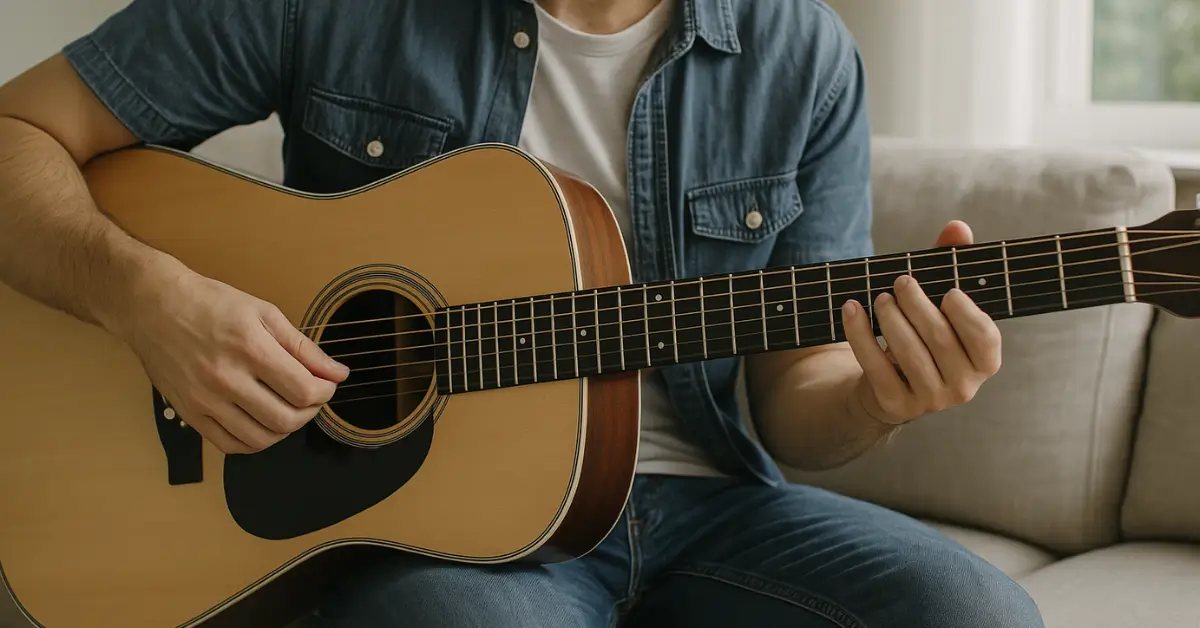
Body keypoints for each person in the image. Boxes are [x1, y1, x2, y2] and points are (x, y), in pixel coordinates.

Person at [0, 0, 1044, 626]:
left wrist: (880, 397)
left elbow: (795, 397)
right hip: (445, 538)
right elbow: (18, 134)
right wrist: (144, 296)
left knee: (979, 611)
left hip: (709, 504)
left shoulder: (802, 54)